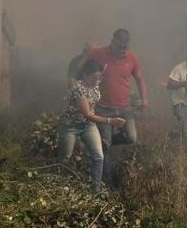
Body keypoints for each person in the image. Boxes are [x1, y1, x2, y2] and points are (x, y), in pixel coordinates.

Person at [88, 29, 149, 185]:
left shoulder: (131, 57)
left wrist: (144, 99)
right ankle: (106, 181)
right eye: (119, 46)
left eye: (125, 47)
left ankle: (100, 141)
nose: (122, 50)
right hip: (103, 108)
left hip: (124, 108)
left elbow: (139, 79)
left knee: (131, 138)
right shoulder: (98, 53)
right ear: (112, 41)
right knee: (105, 147)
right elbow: (82, 68)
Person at [57, 60, 126, 193]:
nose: (97, 81)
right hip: (70, 126)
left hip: (88, 125)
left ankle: (96, 190)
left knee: (98, 157)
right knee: (65, 157)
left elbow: (92, 108)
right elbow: (87, 114)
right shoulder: (78, 88)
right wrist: (111, 120)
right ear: (85, 75)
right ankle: (58, 184)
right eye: (94, 78)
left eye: (99, 77)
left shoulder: (95, 84)